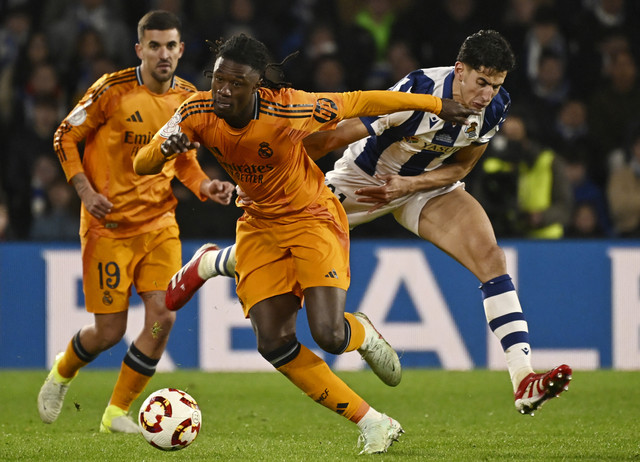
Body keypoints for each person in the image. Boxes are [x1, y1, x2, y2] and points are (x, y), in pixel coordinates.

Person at [164, 30, 573, 418]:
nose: (487, 95)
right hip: (361, 181)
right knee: (281, 246)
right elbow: (331, 139)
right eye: (481, 82)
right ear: (459, 69)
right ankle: (212, 262)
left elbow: (462, 165)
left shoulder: (496, 107)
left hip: (421, 186)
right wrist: (268, 178)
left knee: (491, 257)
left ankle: (523, 378)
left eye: (496, 85)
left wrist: (411, 184)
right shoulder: (417, 91)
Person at [134, 33, 475, 454]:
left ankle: (360, 331)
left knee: (330, 335)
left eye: (235, 83)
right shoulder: (193, 110)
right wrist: (164, 148)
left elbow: (365, 100)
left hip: (312, 217)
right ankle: (374, 422)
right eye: (218, 79)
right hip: (259, 225)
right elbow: (142, 162)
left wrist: (438, 105)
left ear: (256, 84)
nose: (223, 90)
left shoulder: (291, 106)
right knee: (273, 342)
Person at [37, 10, 235, 434]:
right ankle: (63, 370)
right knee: (109, 331)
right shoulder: (111, 90)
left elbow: (186, 163)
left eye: (170, 46)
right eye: (154, 45)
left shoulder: (188, 98)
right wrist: (86, 192)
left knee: (164, 313)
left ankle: (116, 412)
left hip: (159, 223)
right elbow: (63, 136)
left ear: (181, 50)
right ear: (139, 49)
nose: (163, 54)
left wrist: (206, 188)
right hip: (107, 226)